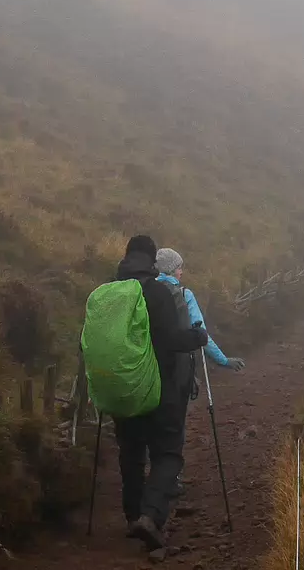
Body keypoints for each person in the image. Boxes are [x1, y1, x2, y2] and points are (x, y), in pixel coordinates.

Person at [110, 234, 206, 552]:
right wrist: (197, 338)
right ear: (152, 261)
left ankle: (132, 516)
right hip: (158, 390)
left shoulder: (109, 293)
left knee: (131, 453)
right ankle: (150, 517)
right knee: (167, 453)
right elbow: (171, 340)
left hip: (122, 391)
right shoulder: (158, 293)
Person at [155, 248, 245, 373]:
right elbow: (201, 333)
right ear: (170, 270)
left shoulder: (144, 290)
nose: (181, 272)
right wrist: (223, 360)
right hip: (178, 366)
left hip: (150, 364)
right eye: (179, 268)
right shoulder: (184, 295)